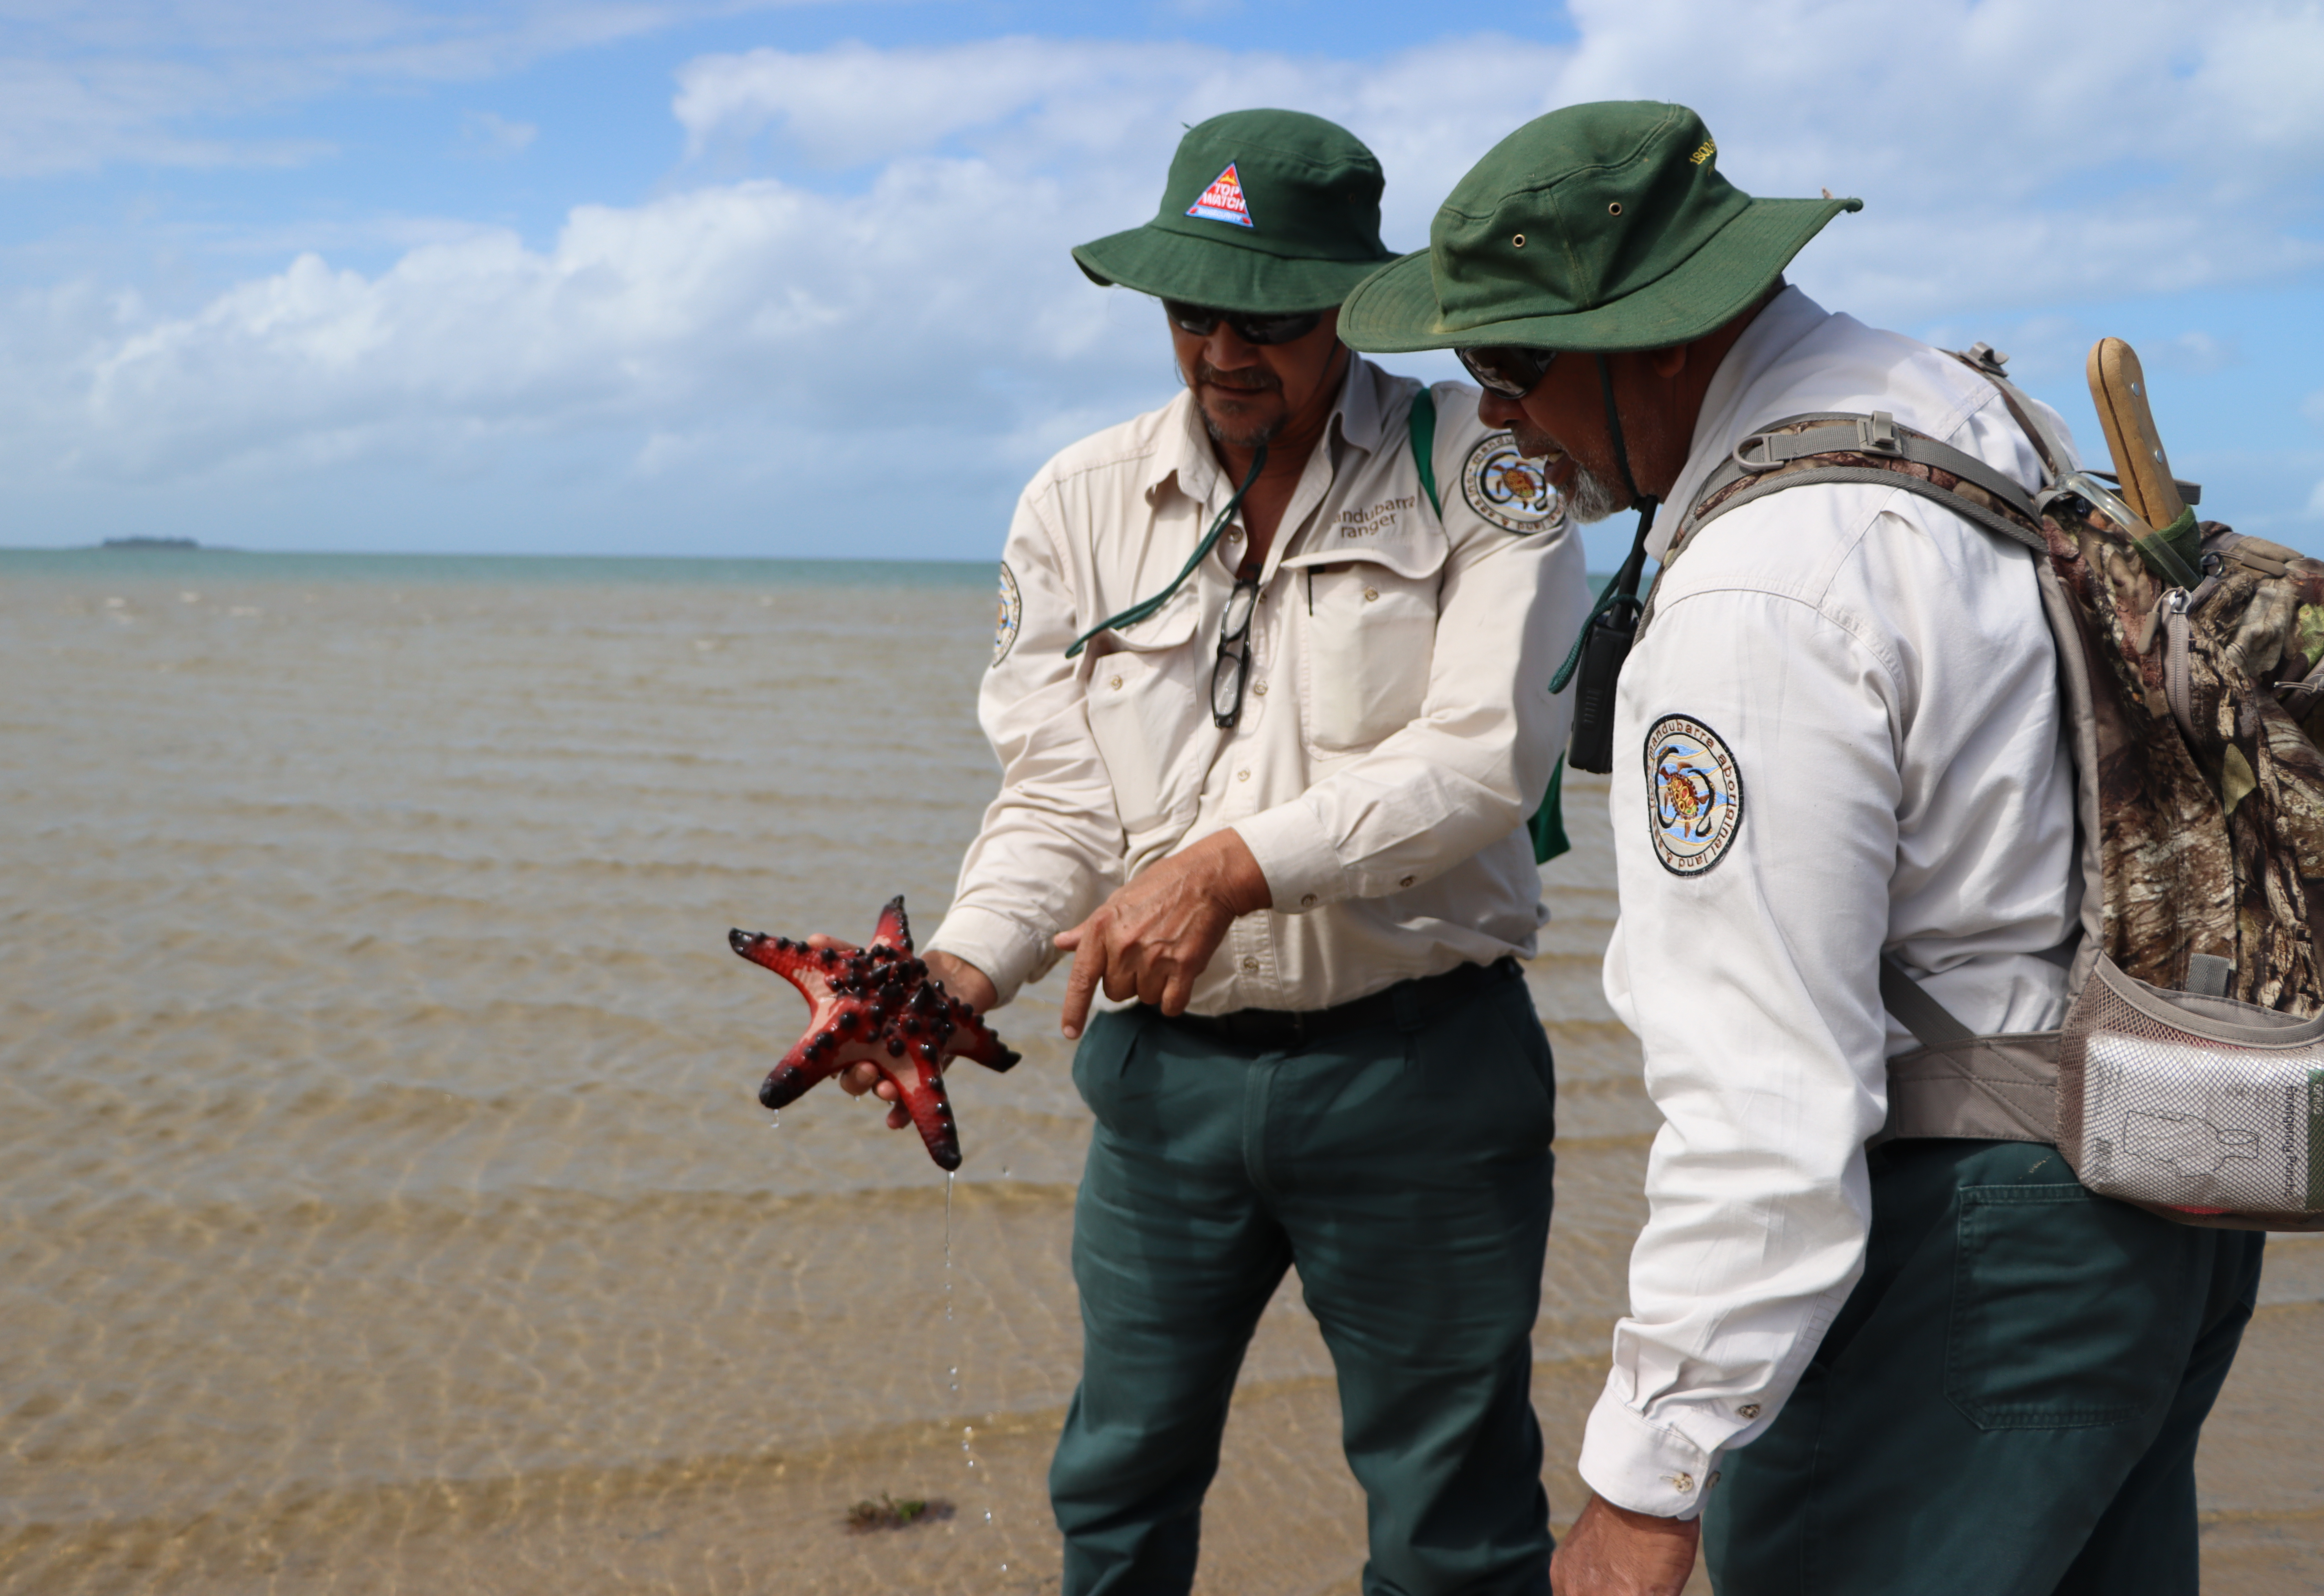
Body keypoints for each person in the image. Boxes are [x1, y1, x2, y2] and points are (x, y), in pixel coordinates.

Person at [1339, 100, 2264, 1596]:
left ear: (1663, 342)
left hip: (1966, 1251)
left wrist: (1646, 1479)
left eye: (1513, 369)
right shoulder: (1966, 414)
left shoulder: (1756, 599)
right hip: (2155, 1196)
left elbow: (1769, 1091)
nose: (1491, 414)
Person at [831, 108, 1587, 1594]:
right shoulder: (1077, 499)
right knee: (1115, 1477)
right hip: (1164, 1083)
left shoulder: (1491, 469)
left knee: (1456, 1515)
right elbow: (1058, 799)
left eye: (1276, 318)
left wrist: (1229, 866)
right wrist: (955, 969)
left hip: (1423, 1076)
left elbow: (1485, 763)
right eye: (1195, 313)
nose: (1228, 353)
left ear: (1361, 308)